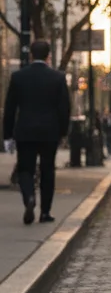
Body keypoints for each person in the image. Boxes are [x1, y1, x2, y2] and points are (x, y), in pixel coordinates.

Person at [2, 39, 71, 224]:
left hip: (25, 132)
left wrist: (7, 135)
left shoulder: (18, 77)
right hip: (50, 132)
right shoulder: (57, 78)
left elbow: (9, 108)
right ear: (48, 56)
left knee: (25, 169)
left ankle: (29, 198)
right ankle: (45, 212)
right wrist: (63, 132)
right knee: (48, 171)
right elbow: (64, 108)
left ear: (31, 54)